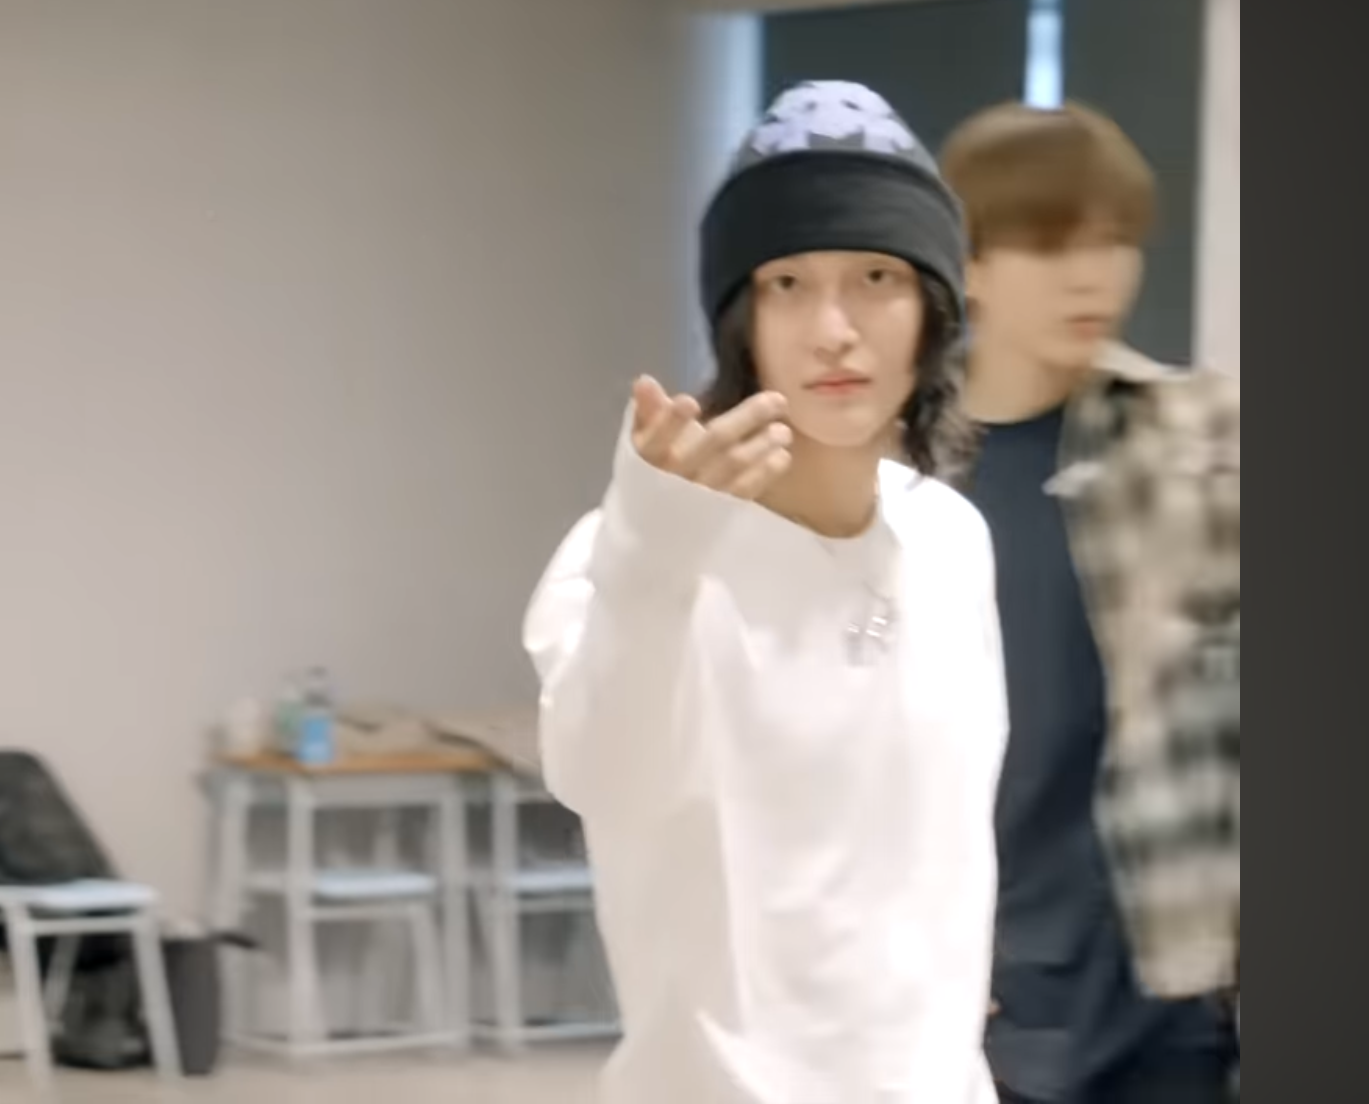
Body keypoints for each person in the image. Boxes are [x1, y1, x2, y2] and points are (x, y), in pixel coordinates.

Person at [524, 81, 1006, 1103]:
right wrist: (650, 566)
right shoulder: (634, 555)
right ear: (743, 320)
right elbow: (599, 772)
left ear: (932, 307)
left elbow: (947, 856)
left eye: (876, 276)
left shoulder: (951, 540)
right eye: (788, 282)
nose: (834, 328)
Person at [941, 101, 1241, 1104]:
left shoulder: (1200, 439)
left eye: (1114, 242)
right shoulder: (893, 475)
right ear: (970, 264)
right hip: (974, 993)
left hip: (1168, 987)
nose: (1092, 276)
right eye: (1050, 245)